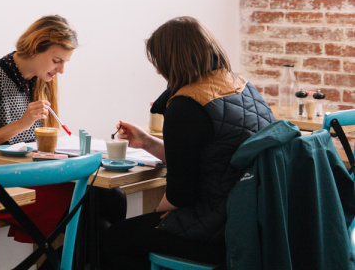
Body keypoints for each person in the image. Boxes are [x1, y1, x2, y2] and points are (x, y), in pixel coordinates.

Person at [102, 16, 275, 270]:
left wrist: (154, 218)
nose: (158, 71)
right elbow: (207, 160)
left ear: (171, 61)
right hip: (256, 219)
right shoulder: (242, 86)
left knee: (112, 240)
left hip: (220, 231)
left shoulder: (186, 105)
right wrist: (148, 143)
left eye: (159, 62)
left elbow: (180, 195)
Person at [0, 15, 125, 251]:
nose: (61, 70)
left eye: (65, 63)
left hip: (30, 174)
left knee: (114, 196)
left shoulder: (40, 80)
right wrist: (22, 124)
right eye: (56, 61)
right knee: (95, 223)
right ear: (34, 49)